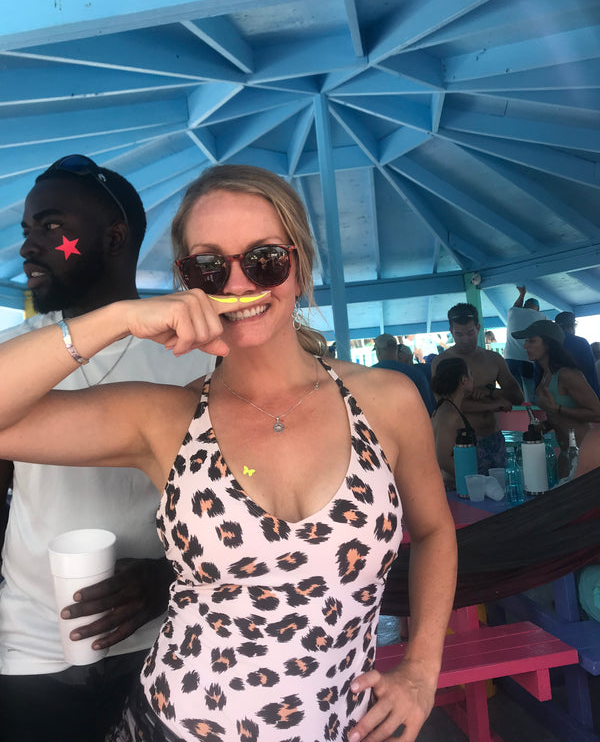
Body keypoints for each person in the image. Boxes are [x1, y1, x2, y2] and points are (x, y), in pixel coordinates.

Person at [0, 164, 457, 742]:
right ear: (187, 282)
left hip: (341, 726)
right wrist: (119, 318)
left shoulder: (387, 400)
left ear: (300, 265)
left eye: (265, 259)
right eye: (209, 266)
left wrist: (422, 668)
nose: (238, 284)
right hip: (175, 724)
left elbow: (435, 532)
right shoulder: (165, 416)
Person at [0, 155, 214, 742]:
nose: (28, 247)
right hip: (32, 645)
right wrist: (116, 318)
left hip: (169, 638)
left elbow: (243, 507)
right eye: (27, 229)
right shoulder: (16, 356)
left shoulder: (196, 355)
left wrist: (169, 577)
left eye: (51, 226)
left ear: (114, 238)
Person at [432, 303, 523, 474]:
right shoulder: (443, 363)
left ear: (478, 328)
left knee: (499, 487)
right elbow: (447, 406)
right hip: (463, 442)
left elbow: (517, 397)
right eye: (459, 334)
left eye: (470, 333)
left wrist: (491, 391)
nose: (465, 339)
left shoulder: (493, 359)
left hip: (494, 437)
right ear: (451, 331)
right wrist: (493, 404)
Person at [512, 319, 600, 477]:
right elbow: (560, 417)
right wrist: (545, 425)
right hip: (566, 453)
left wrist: (557, 409)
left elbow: (597, 413)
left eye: (532, 341)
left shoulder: (567, 375)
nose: (525, 346)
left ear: (548, 344)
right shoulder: (546, 376)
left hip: (583, 453)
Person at [430, 359, 475, 490]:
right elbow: (442, 458)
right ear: (463, 380)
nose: (473, 378)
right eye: (470, 374)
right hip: (451, 486)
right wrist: (470, 480)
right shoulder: (450, 415)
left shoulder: (444, 408)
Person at [372, 332, 436, 415]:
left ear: (378, 350)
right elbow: (429, 408)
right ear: (395, 349)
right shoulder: (416, 374)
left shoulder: (368, 375)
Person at [503, 286, 546, 403]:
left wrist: (521, 295)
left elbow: (516, 306)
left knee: (514, 393)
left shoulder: (513, 312)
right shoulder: (542, 318)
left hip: (510, 359)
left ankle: (516, 412)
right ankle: (531, 412)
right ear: (537, 309)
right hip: (529, 360)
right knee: (530, 395)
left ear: (524, 306)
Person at [554, 311, 600, 398]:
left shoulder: (548, 344)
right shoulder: (581, 343)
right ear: (573, 326)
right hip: (580, 394)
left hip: (554, 395)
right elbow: (590, 372)